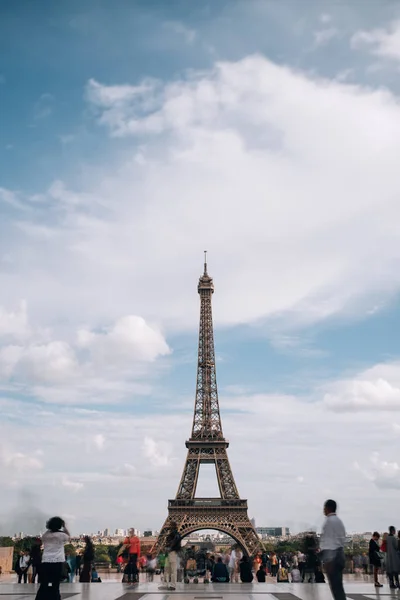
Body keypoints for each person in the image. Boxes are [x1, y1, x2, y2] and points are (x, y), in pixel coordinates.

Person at [34, 516, 70, 600]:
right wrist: (64, 527)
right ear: (59, 525)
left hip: (46, 561)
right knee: (55, 584)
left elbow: (46, 534)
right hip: (58, 561)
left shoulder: (46, 535)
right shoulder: (62, 535)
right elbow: (68, 536)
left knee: (44, 584)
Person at [320, 499, 346, 600]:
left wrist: (327, 560)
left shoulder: (328, 522)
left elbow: (328, 542)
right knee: (339, 586)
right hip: (340, 554)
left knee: (335, 586)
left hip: (333, 556)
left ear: (328, 508)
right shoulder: (339, 521)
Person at [159, 522, 181, 591]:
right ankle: (168, 584)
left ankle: (172, 585)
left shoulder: (175, 534)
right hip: (169, 552)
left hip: (171, 552)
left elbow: (174, 542)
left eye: (170, 525)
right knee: (167, 569)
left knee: (171, 569)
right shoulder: (174, 534)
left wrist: (169, 548)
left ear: (173, 526)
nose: (169, 526)